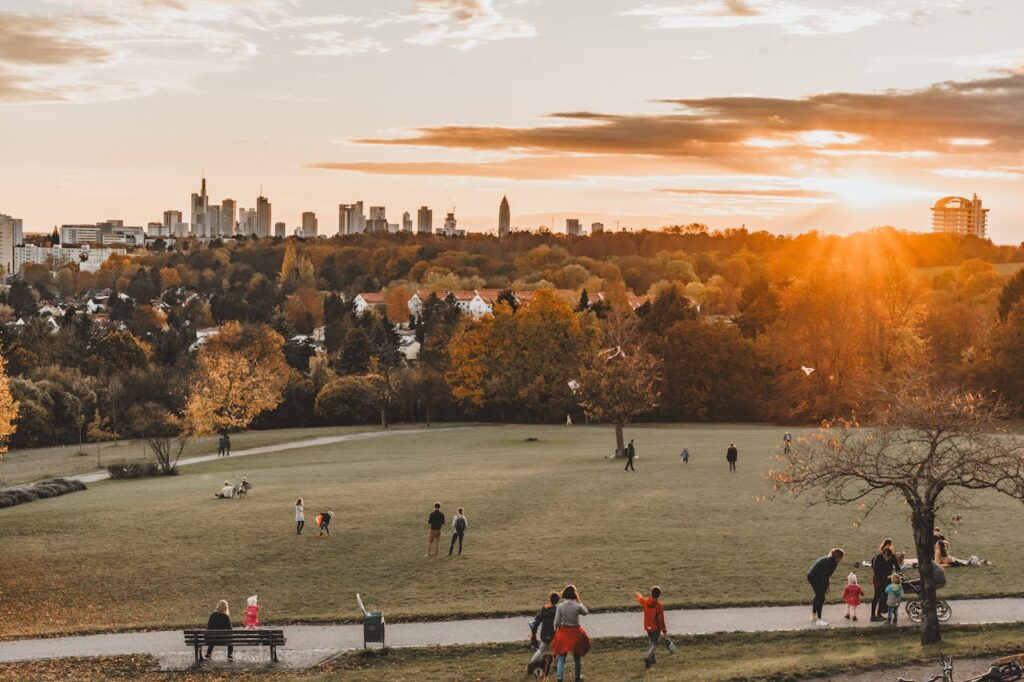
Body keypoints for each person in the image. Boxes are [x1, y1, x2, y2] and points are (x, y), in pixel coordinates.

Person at [551, 585, 589, 682]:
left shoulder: (560, 607)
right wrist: (579, 602)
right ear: (574, 595)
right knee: (577, 657)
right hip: (576, 633)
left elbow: (556, 622)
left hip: (564, 633)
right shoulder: (577, 606)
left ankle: (560, 678)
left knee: (561, 658)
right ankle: (577, 677)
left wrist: (556, 631)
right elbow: (585, 612)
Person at [807, 548, 845, 627]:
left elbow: (825, 575)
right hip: (815, 577)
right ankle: (819, 619)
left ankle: (814, 616)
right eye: (842, 557)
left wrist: (826, 586)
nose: (842, 559)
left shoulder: (829, 559)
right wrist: (825, 587)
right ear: (838, 558)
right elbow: (824, 576)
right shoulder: (832, 563)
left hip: (812, 575)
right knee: (821, 597)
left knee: (818, 595)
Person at [635, 586, 670, 669]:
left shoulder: (646, 601)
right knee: (655, 643)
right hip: (655, 628)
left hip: (647, 626)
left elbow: (640, 599)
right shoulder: (659, 605)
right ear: (659, 595)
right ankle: (648, 657)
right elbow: (661, 619)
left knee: (651, 641)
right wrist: (664, 630)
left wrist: (638, 595)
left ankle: (652, 659)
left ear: (651, 593)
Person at [527, 591, 560, 675]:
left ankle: (532, 663)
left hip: (544, 634)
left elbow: (537, 621)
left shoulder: (544, 608)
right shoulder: (558, 610)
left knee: (541, 649)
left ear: (550, 599)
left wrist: (533, 633)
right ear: (557, 600)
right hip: (554, 634)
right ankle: (555, 665)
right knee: (557, 650)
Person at [870, 544, 899, 621]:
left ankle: (879, 613)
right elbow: (875, 569)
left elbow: (897, 567)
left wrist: (894, 573)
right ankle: (873, 615)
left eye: (889, 557)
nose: (887, 559)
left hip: (888, 578)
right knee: (877, 596)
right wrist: (884, 576)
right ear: (883, 554)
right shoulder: (878, 557)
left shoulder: (892, 557)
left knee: (883, 596)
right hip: (878, 578)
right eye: (886, 557)